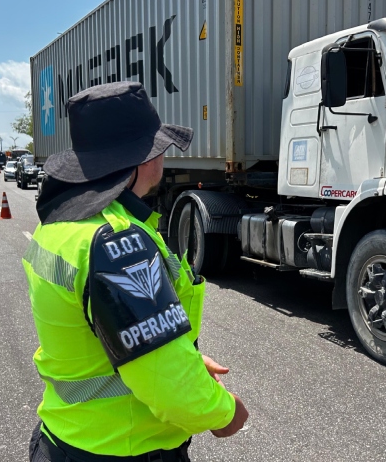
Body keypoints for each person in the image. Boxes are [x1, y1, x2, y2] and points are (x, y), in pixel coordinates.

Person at [24, 81, 248, 462]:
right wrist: (224, 412)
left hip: (63, 438)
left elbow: (110, 336)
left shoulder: (59, 224)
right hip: (124, 448)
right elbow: (161, 376)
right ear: (144, 159)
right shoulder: (116, 241)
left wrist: (180, 355)